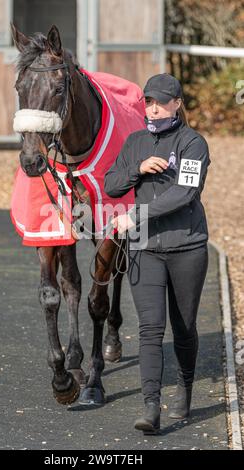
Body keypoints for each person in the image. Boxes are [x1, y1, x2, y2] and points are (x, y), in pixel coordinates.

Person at [104, 73, 211, 435]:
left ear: (178, 103)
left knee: (183, 328)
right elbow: (112, 183)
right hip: (144, 250)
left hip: (187, 248)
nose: (153, 107)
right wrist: (138, 167)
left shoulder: (193, 143)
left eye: (161, 101)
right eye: (148, 101)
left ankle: (184, 386)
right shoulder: (135, 142)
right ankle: (151, 406)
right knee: (150, 328)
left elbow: (185, 193)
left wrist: (136, 214)